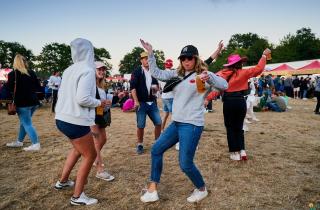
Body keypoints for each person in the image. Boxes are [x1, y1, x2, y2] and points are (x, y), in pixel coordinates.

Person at [139, 39, 227, 203]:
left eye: (189, 58)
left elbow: (225, 85)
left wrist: (210, 78)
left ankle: (201, 188)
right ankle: (152, 190)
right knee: (156, 149)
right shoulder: (176, 74)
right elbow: (157, 73)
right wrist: (150, 53)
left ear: (196, 59)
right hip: (177, 123)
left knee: (185, 164)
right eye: (183, 58)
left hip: (192, 125)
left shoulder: (205, 75)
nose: (186, 61)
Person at [54, 38, 109, 206]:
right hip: (75, 120)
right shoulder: (87, 70)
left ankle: (62, 181)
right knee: (90, 154)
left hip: (61, 118)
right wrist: (99, 103)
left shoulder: (69, 69)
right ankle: (78, 196)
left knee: (78, 150)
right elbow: (83, 98)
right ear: (89, 52)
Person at [216, 48, 271, 161]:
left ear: (229, 65)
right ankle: (242, 150)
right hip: (241, 101)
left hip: (229, 102)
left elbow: (215, 87)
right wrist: (264, 56)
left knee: (230, 127)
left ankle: (234, 152)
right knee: (239, 126)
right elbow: (259, 68)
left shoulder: (222, 73)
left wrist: (207, 99)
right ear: (240, 63)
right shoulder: (245, 73)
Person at [6, 54, 41, 151]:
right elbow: (38, 87)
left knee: (27, 124)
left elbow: (8, 89)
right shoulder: (31, 72)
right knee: (24, 123)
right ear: (25, 62)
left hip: (22, 103)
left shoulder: (13, 74)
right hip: (34, 102)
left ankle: (36, 144)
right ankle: (19, 141)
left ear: (15, 62)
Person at [130, 51, 162, 154]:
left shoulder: (153, 72)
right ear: (141, 60)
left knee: (158, 123)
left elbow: (156, 87)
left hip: (152, 102)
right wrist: (136, 101)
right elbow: (133, 87)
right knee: (141, 125)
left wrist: (157, 90)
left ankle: (157, 142)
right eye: (145, 58)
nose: (147, 60)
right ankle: (140, 144)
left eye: (148, 58)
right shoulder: (137, 71)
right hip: (141, 103)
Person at [91, 61, 115, 182]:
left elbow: (103, 103)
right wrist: (100, 103)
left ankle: (94, 160)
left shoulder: (102, 86)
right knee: (96, 141)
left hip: (100, 115)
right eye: (99, 69)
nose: (101, 71)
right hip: (91, 116)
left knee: (103, 139)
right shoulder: (90, 85)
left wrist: (110, 101)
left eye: (103, 70)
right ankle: (100, 169)